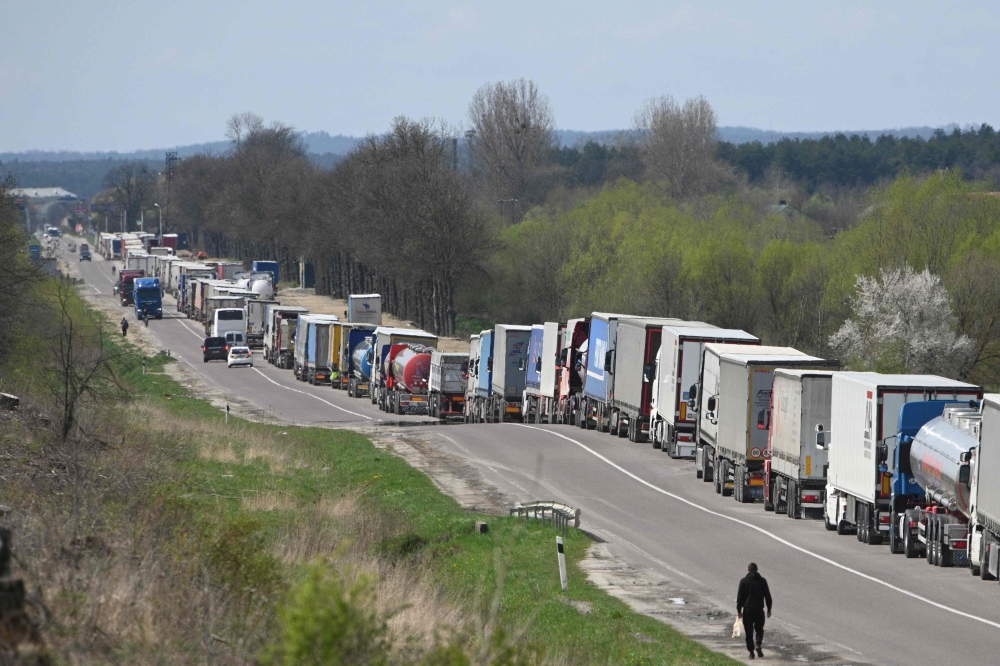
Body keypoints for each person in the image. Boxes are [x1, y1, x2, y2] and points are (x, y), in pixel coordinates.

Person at [736, 562, 772, 659]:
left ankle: (751, 652)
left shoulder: (743, 581)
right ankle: (758, 644)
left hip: (747, 610)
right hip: (759, 610)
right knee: (759, 629)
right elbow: (768, 596)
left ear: (748, 570)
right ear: (757, 570)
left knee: (749, 631)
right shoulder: (762, 581)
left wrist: (739, 610)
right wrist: (769, 609)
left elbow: (739, 597)